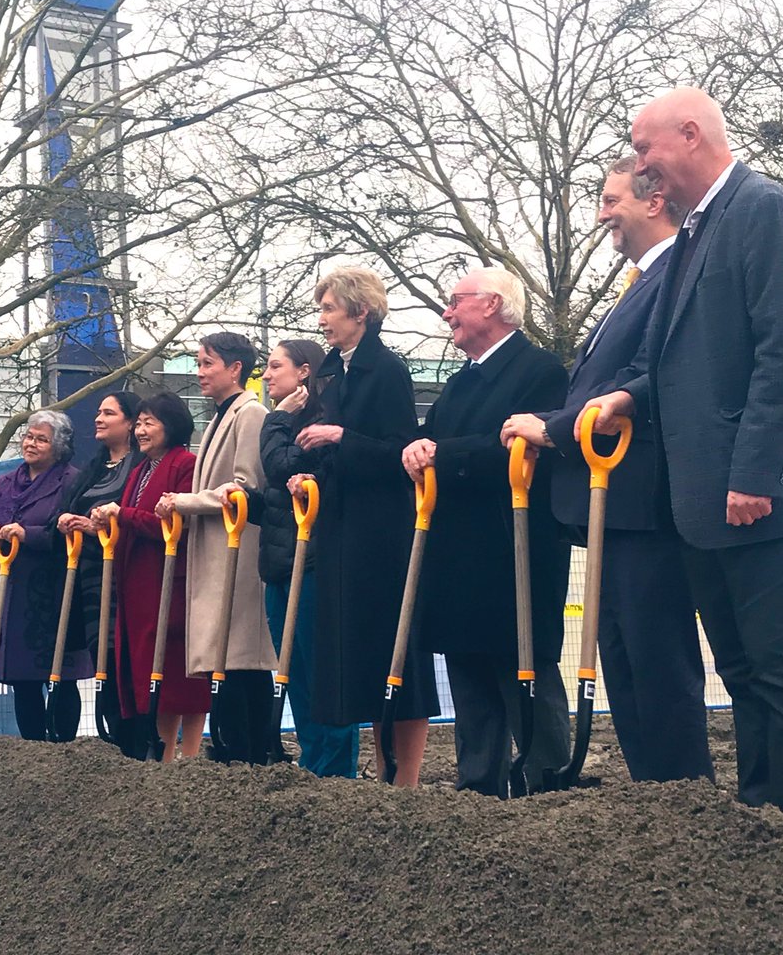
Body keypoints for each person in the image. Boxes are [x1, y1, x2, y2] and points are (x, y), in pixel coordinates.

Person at [578, 86, 783, 813]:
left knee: (781, 672)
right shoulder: (695, 230)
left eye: (645, 148)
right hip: (702, 503)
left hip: (757, 502)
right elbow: (672, 359)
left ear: (690, 134)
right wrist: (628, 397)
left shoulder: (763, 210)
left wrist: (757, 475)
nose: (640, 164)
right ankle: (761, 812)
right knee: (741, 671)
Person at [501, 157, 713, 784]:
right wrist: (546, 422)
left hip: (642, 502)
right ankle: (652, 789)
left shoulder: (676, 277)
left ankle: (684, 792)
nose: (600, 215)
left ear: (654, 202)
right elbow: (601, 387)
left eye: (610, 200)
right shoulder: (639, 283)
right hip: (608, 504)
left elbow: (649, 376)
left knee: (655, 655)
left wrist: (553, 429)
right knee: (621, 655)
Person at [402, 267, 570, 798]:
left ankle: (551, 787)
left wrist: (441, 453)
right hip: (457, 553)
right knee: (468, 671)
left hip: (512, 548)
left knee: (523, 666)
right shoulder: (460, 381)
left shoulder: (540, 370)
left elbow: (516, 449)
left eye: (456, 301)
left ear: (493, 304)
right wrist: (417, 448)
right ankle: (477, 791)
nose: (446, 312)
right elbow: (433, 438)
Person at [290, 267, 439, 787]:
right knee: (362, 657)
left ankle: (406, 780)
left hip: (382, 534)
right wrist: (311, 475)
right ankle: (382, 773)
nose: (321, 320)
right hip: (340, 530)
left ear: (360, 312)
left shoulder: (388, 370)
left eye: (329, 309)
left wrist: (339, 437)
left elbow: (400, 451)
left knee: (396, 654)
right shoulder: (331, 373)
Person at [217, 339, 360, 777]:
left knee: (321, 671)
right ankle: (313, 760)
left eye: (275, 366)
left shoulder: (318, 424)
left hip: (314, 564)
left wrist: (277, 419)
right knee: (292, 672)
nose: (266, 375)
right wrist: (248, 502)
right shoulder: (291, 425)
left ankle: (335, 767)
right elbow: (282, 497)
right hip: (280, 564)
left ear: (303, 372)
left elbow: (280, 467)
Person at [155, 332, 276, 765]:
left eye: (208, 363)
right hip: (216, 549)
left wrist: (184, 502)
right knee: (226, 660)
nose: (200, 372)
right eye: (199, 363)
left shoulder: (251, 414)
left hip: (237, 551)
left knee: (242, 659)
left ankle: (250, 755)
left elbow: (243, 487)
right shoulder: (221, 417)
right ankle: (236, 753)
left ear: (235, 368)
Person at [92, 392, 210, 760]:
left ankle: (190, 755)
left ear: (171, 426)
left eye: (149, 423)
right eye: (139, 423)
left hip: (168, 584)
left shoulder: (185, 464)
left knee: (179, 674)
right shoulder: (140, 470)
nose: (141, 431)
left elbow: (174, 526)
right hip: (137, 586)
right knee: (148, 674)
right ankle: (164, 754)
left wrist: (123, 515)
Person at [0, 410, 77, 741]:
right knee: (23, 677)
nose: (31, 443)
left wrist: (26, 533)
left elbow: (68, 532)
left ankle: (63, 745)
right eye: (29, 436)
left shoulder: (71, 481)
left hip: (53, 589)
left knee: (61, 675)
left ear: (58, 447)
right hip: (13, 591)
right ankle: (33, 747)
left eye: (41, 439)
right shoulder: (4, 484)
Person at [51, 391, 142, 742]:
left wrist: (98, 527)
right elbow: (67, 510)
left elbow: (136, 516)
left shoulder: (140, 467)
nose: (98, 419)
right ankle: (114, 736)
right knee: (100, 656)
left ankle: (132, 740)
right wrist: (65, 521)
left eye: (109, 413)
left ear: (130, 422)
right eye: (99, 413)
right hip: (90, 581)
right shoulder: (91, 470)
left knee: (122, 661)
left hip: (125, 578)